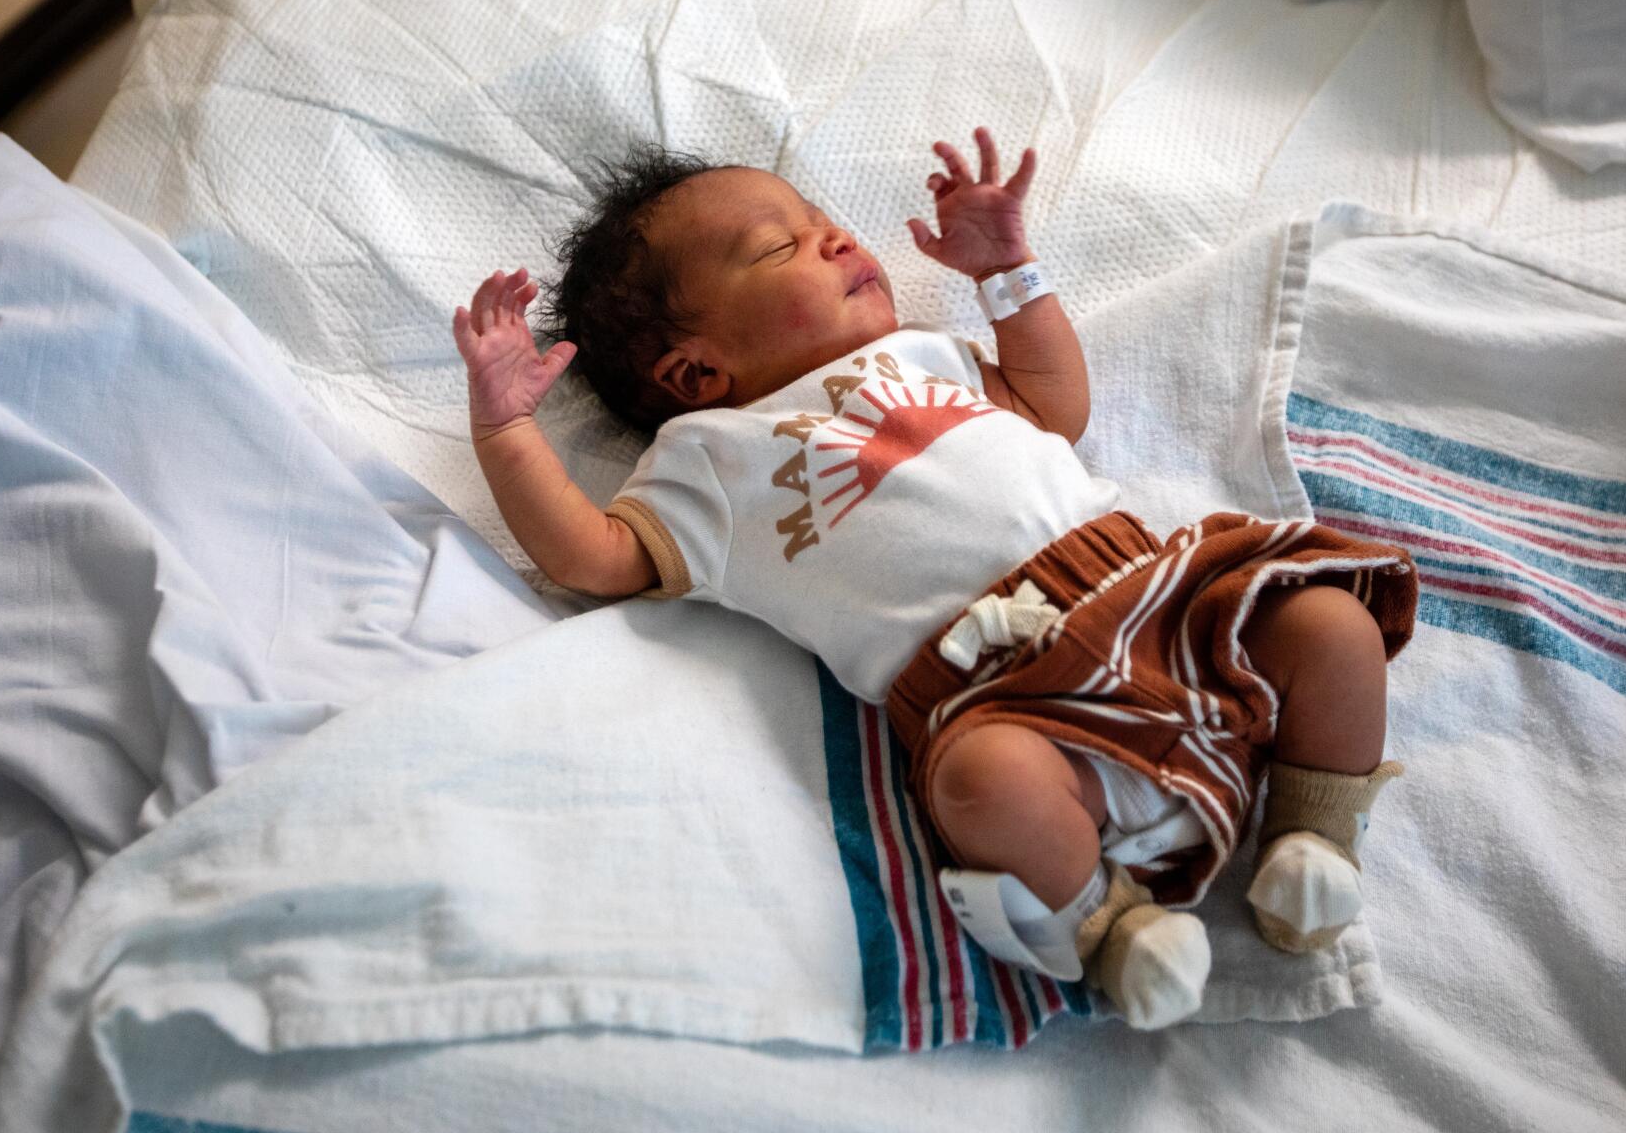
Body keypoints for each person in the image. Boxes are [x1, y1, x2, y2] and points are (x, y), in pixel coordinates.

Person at [453, 129, 1417, 1029]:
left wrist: (1009, 274)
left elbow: (1055, 405)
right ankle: (1109, 927)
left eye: (819, 218)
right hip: (1005, 691)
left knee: (1329, 621)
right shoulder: (707, 460)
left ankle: (1314, 829)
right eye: (776, 246)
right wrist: (505, 431)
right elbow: (590, 558)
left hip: (1148, 590)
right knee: (978, 784)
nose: (832, 238)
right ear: (696, 374)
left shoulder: (926, 354)